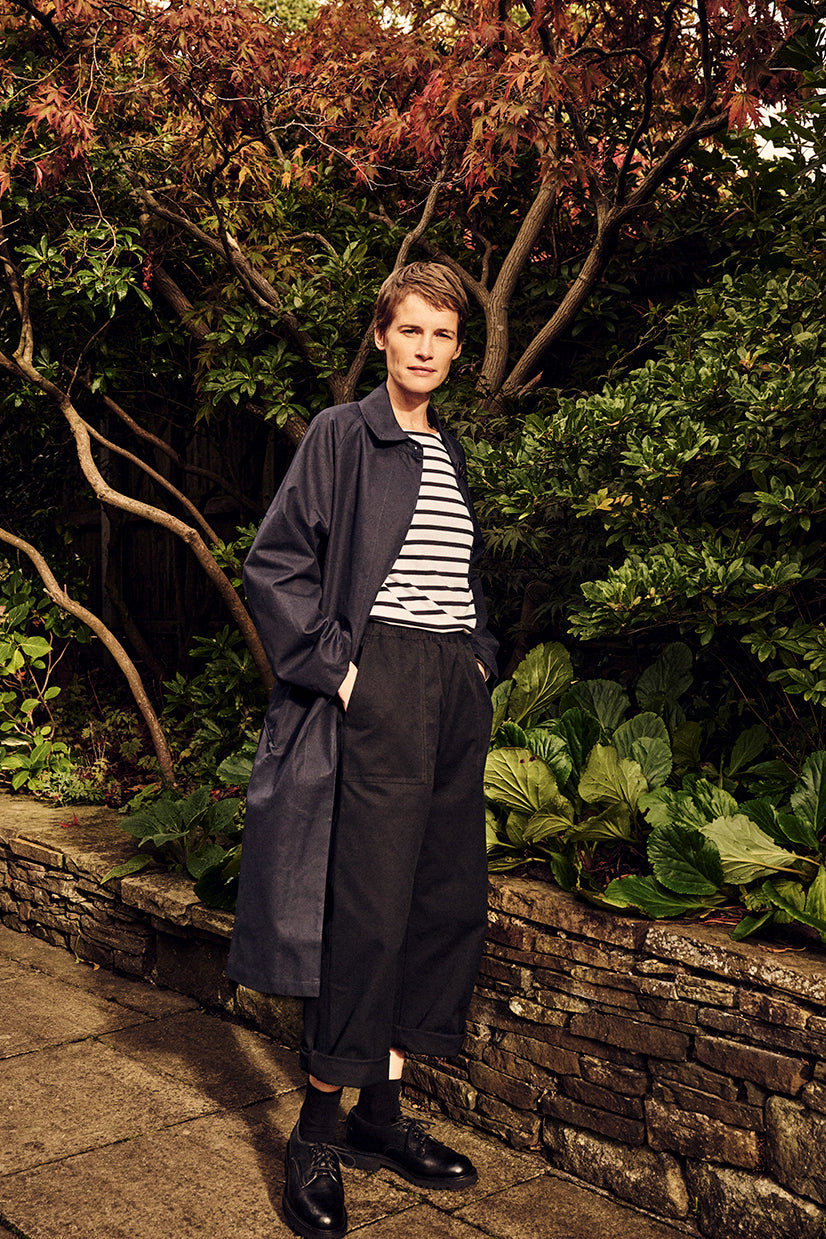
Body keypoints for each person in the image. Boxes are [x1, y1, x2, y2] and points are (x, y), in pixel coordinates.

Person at [227, 261, 498, 1239]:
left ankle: (382, 1118)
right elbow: (275, 563)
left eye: (442, 335)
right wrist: (342, 674)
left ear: (457, 350)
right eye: (410, 329)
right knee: (370, 915)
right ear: (382, 335)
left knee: (438, 905)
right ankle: (315, 1135)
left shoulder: (448, 450)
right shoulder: (343, 434)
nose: (425, 348)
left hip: (450, 689)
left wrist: (479, 661)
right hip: (378, 682)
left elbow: (462, 578)